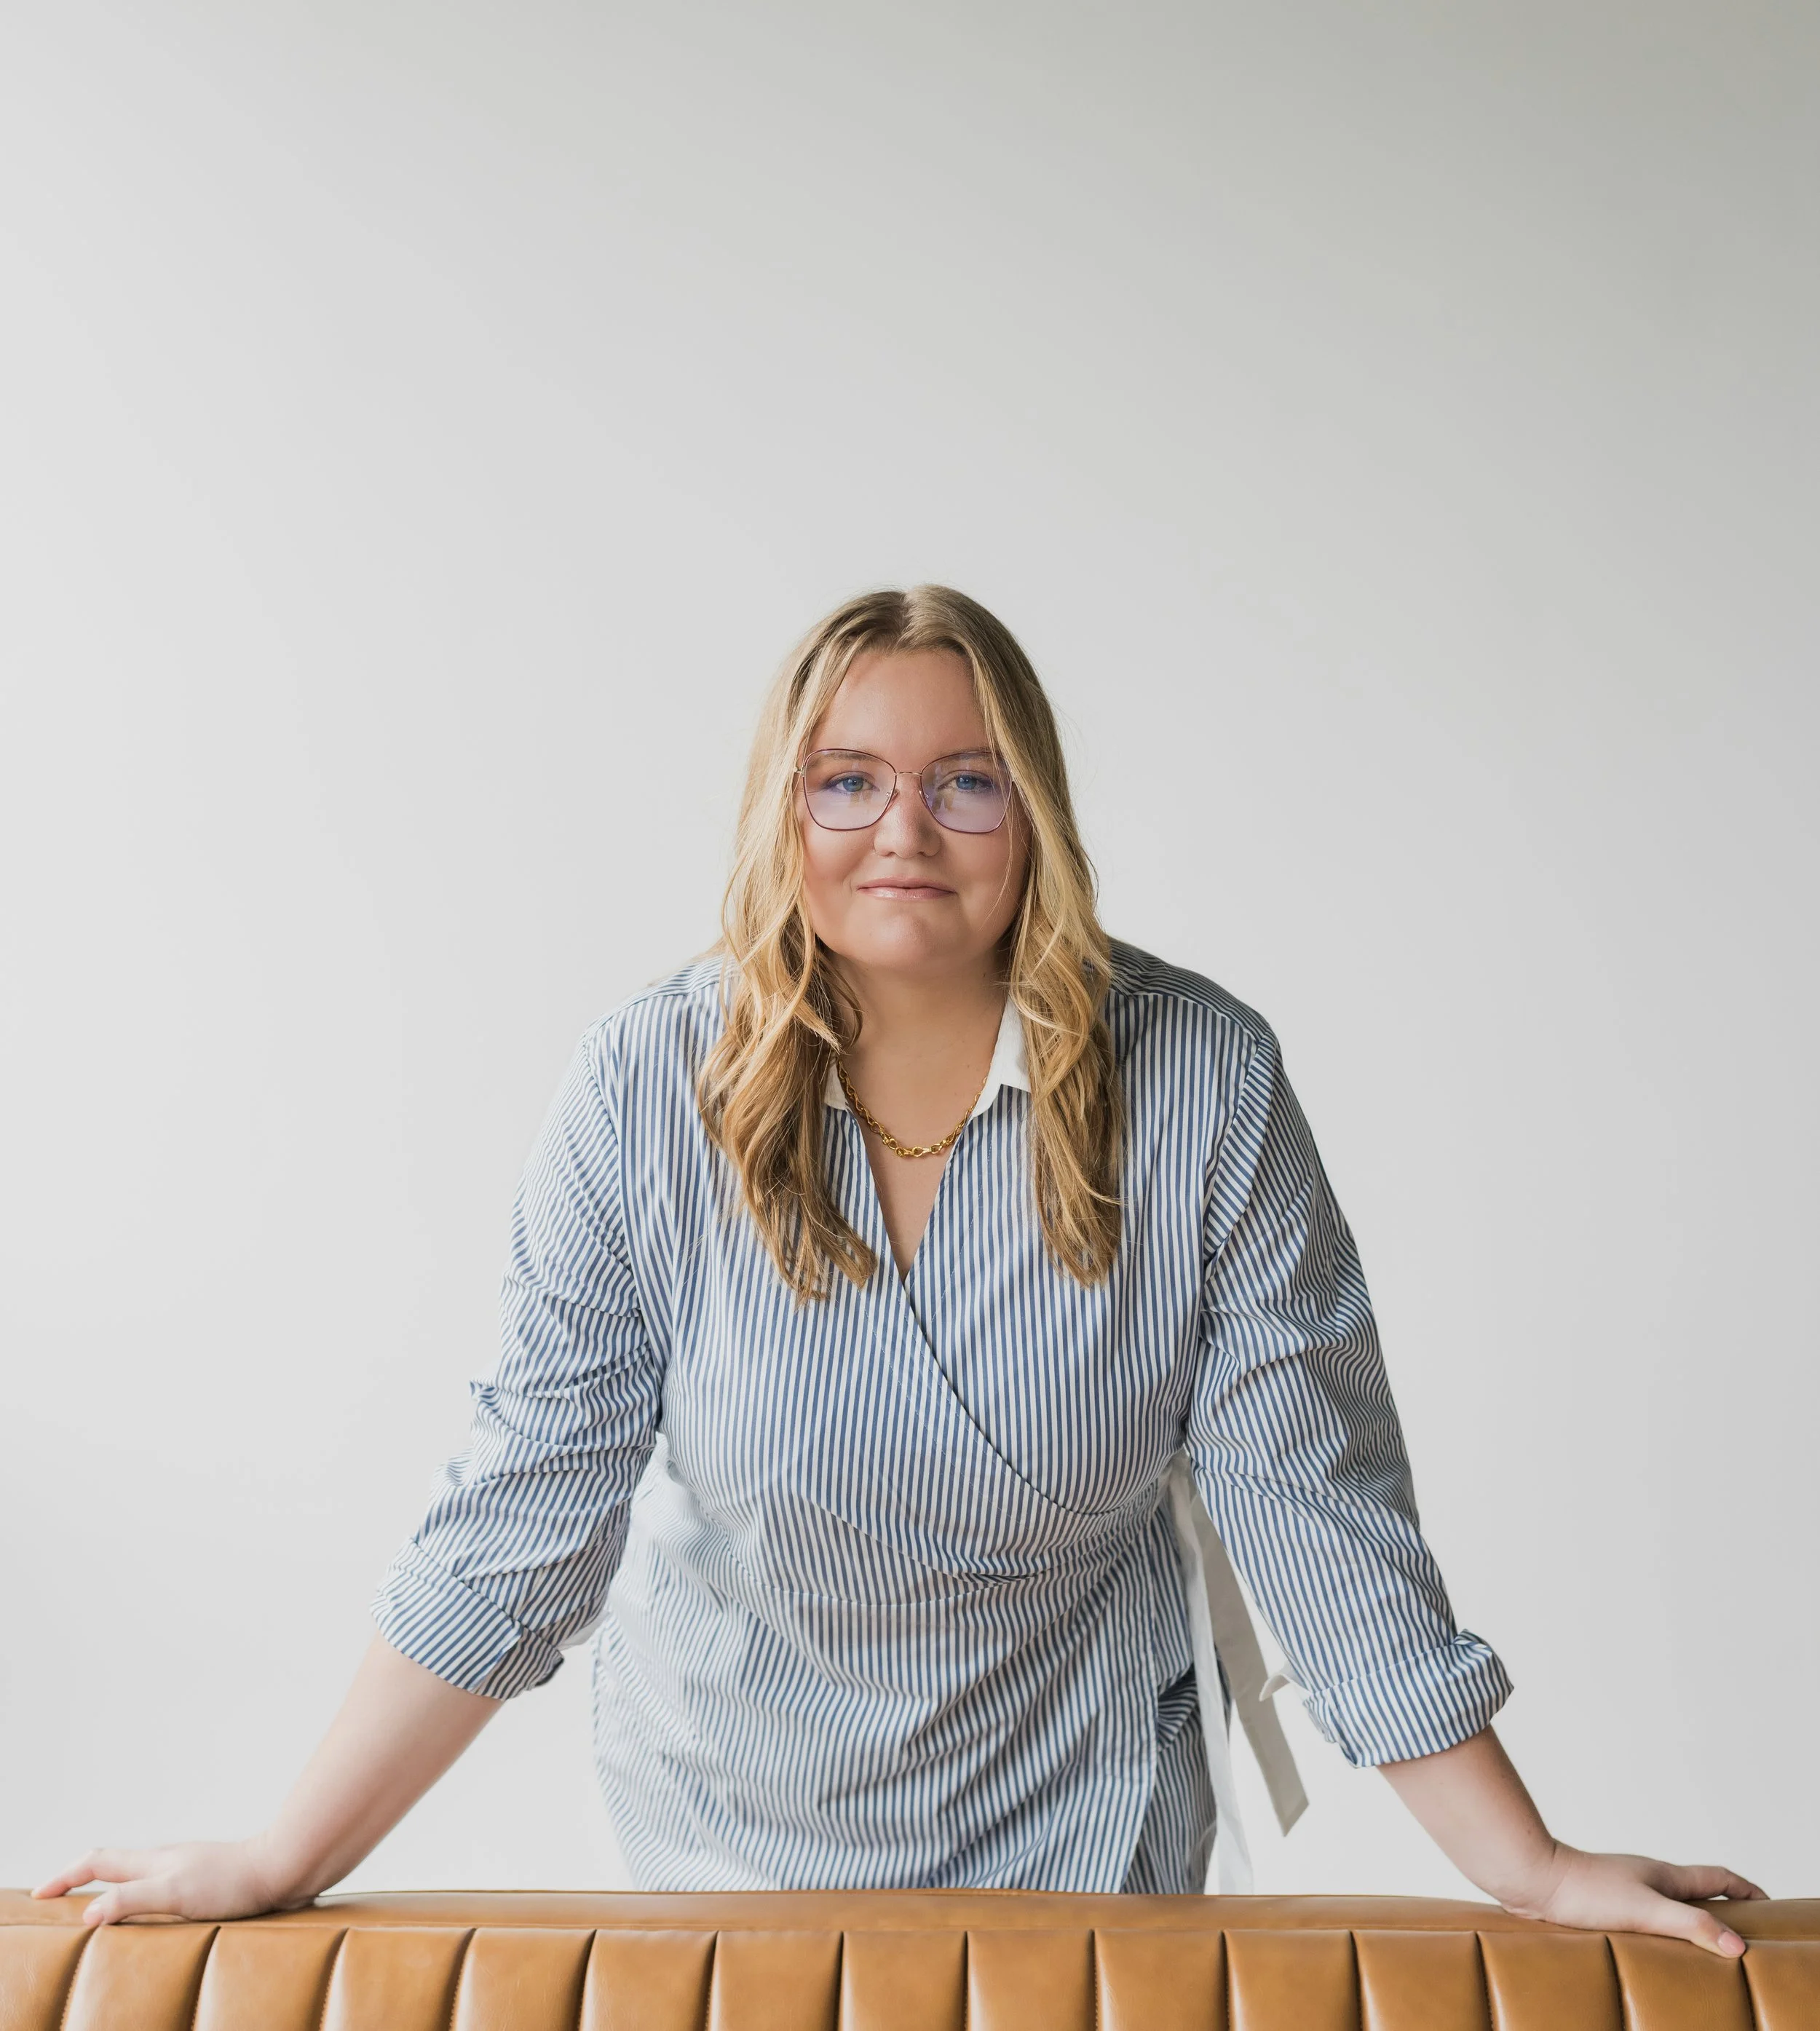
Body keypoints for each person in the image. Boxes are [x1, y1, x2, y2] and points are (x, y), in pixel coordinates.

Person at [36, 585, 1763, 1950]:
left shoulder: (1203, 1083)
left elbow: (1317, 1512)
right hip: (727, 1837)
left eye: (964, 781)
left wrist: (1526, 1869)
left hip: (1088, 1829)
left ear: (1036, 810)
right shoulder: (643, 1090)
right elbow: (518, 1521)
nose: (903, 833)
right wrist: (278, 1853)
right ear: (782, 811)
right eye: (845, 781)